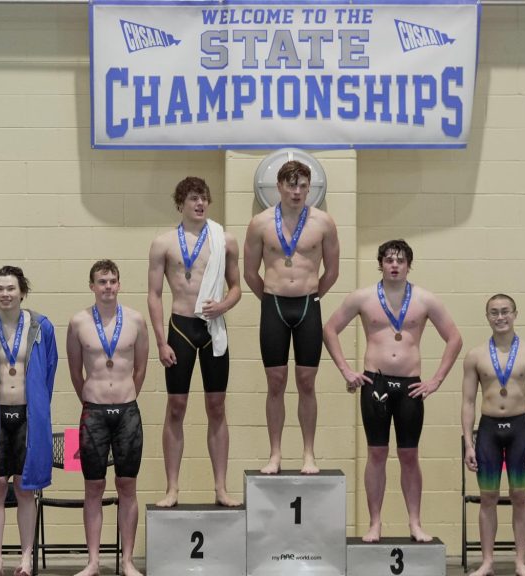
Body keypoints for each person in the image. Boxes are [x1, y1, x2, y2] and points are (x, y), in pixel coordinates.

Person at [322, 240, 462, 542]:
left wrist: (436, 380)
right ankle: (375, 524)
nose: (394, 265)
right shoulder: (362, 297)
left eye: (400, 260)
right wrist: (346, 370)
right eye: (389, 260)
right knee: (376, 453)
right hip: (376, 383)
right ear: (381, 264)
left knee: (409, 455)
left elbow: (454, 338)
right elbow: (329, 329)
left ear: (409, 265)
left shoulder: (425, 299)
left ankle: (415, 523)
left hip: (411, 386)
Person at [148, 176, 242, 508]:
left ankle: (220, 487)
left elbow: (236, 288)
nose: (200, 204)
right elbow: (154, 294)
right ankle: (172, 488)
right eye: (193, 198)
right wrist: (161, 341)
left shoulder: (224, 240)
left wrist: (224, 305)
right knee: (176, 407)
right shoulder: (163, 244)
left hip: (213, 327)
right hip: (181, 328)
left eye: (204, 198)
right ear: (180, 204)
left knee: (216, 407)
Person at [243, 159, 339, 474]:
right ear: (280, 187)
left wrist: (313, 296)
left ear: (309, 188)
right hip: (274, 306)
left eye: (302, 186)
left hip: (308, 305)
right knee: (275, 382)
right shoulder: (260, 223)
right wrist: (270, 299)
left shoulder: (324, 223)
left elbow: (332, 271)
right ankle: (275, 454)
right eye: (291, 185)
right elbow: (249, 273)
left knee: (307, 382)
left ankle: (309, 454)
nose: (297, 191)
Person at [0, 266, 58, 576]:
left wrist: (38, 403)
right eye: (0, 288)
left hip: (29, 416)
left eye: (11, 288)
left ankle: (26, 558)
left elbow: (49, 370)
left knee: (24, 487)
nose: (5, 294)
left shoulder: (42, 327)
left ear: (22, 292)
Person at [67, 260, 149, 576]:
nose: (108, 287)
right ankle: (93, 562)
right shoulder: (78, 322)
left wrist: (125, 396)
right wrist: (92, 401)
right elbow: (76, 372)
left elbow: (141, 368)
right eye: (102, 281)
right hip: (94, 413)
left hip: (127, 412)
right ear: (92, 286)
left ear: (119, 284)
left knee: (127, 485)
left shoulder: (136, 320)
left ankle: (127, 561)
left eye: (113, 281)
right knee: (94, 486)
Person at [461, 294, 525, 576]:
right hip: (488, 430)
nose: (500, 317)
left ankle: (520, 562)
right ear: (487, 317)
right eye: (494, 312)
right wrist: (468, 443)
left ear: (515, 314)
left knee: (520, 496)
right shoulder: (475, 356)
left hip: (519, 429)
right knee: (488, 497)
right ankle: (487, 561)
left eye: (505, 311)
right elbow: (468, 402)